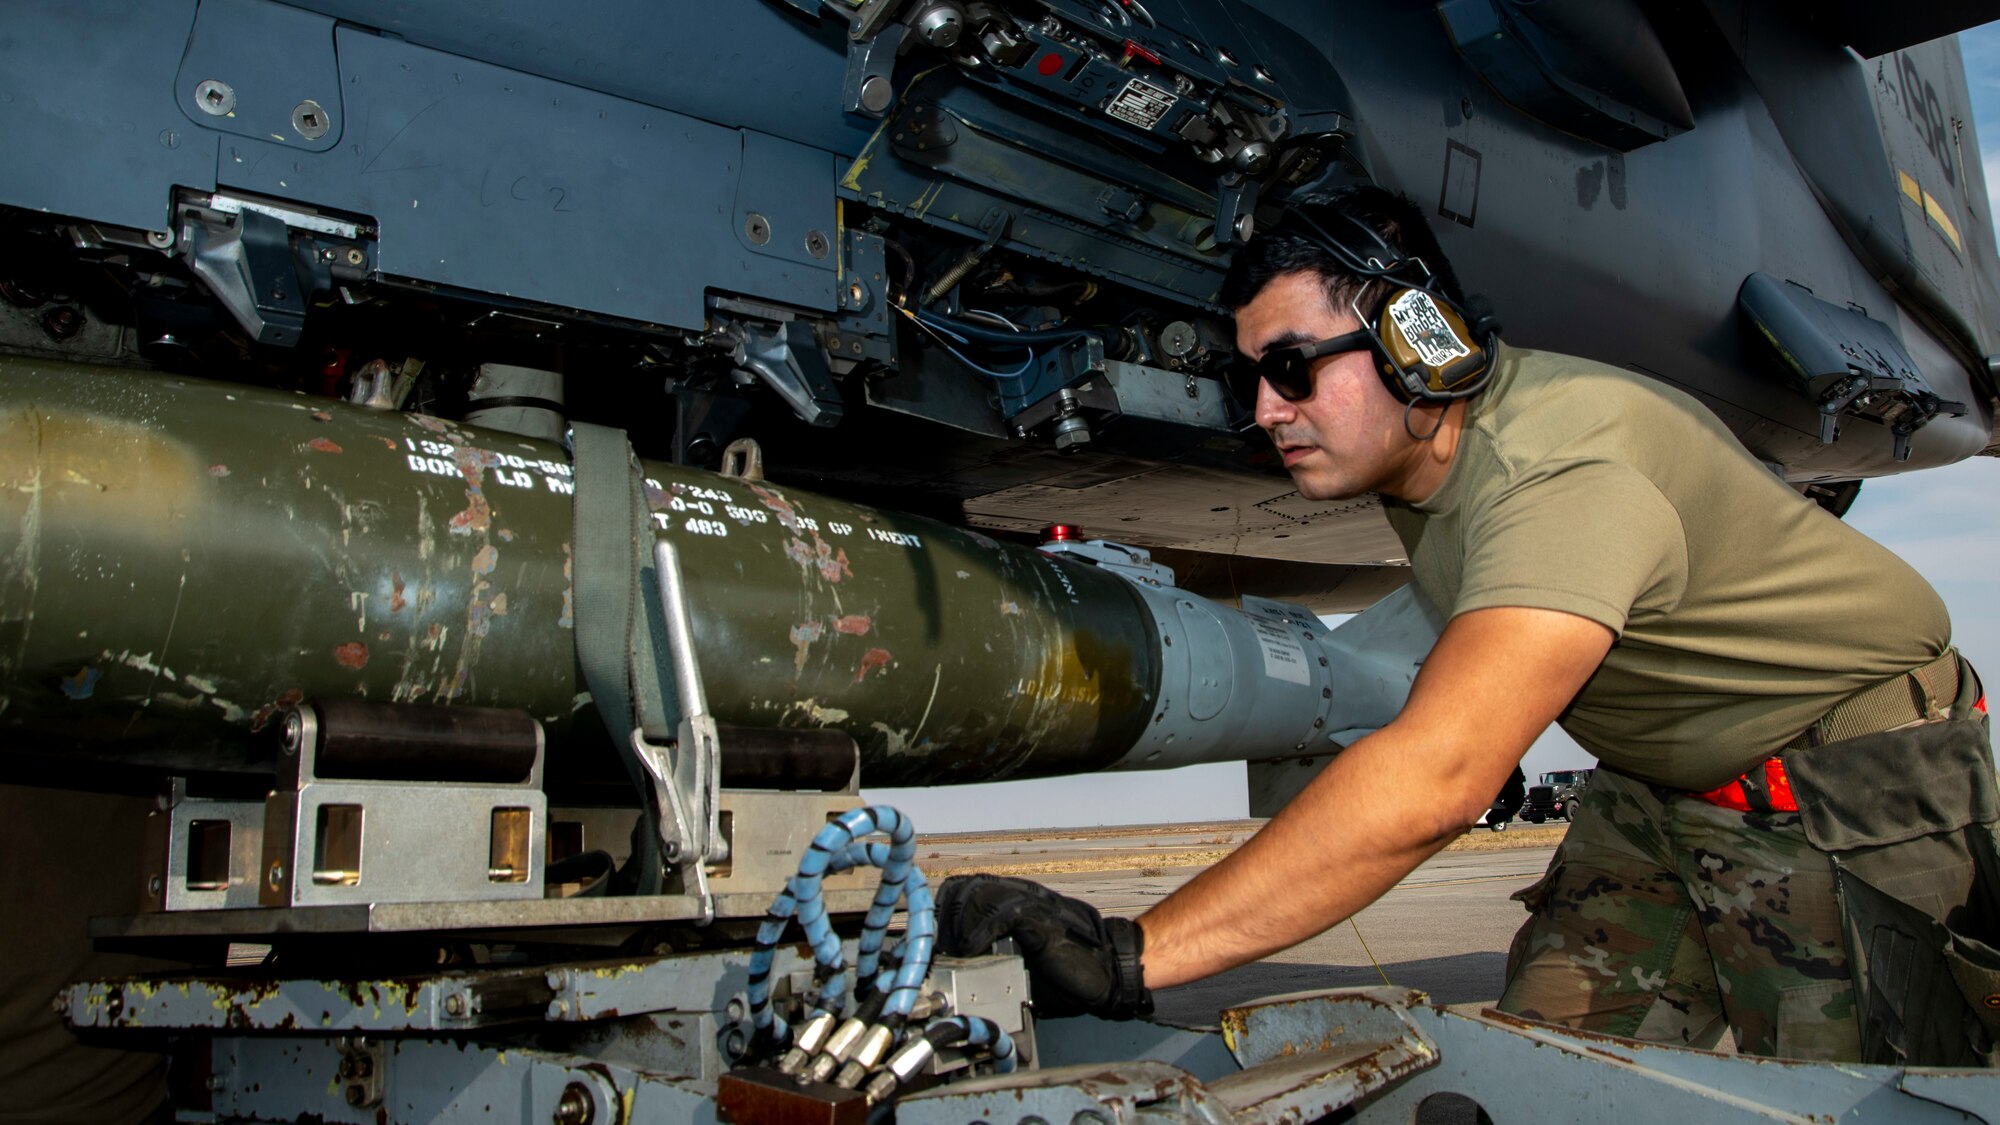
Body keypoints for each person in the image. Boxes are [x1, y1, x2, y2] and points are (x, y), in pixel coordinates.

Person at [938, 186, 1999, 1065]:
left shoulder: (1557, 471)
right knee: (1543, 1067)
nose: (1264, 409)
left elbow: (1436, 779)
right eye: (1249, 375)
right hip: (1655, 792)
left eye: (1293, 368)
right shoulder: (1426, 463)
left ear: (1420, 342)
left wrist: (1133, 952)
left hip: (1840, 785)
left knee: (1870, 1098)